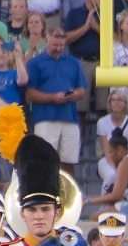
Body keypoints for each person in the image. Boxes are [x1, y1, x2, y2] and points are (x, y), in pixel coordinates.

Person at [24, 28, 86, 173]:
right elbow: (29, 94)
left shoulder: (74, 63)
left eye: (61, 46)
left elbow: (82, 89)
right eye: (55, 45)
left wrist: (75, 94)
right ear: (47, 41)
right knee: (44, 160)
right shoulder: (35, 63)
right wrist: (52, 98)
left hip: (70, 117)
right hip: (45, 118)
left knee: (69, 163)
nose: (58, 49)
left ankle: (69, 194)